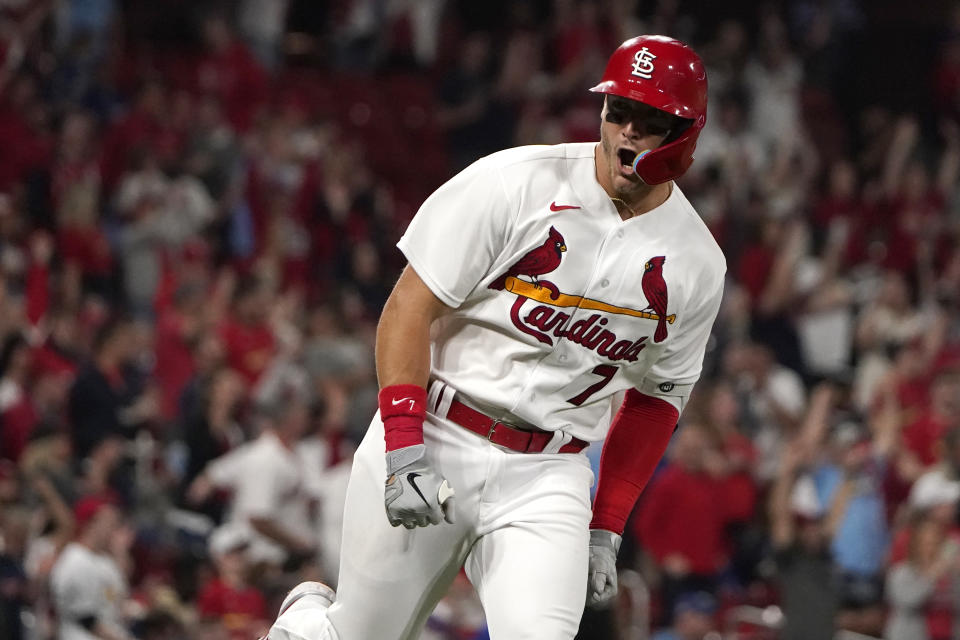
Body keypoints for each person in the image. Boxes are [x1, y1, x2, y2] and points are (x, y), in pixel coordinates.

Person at [265, 34, 724, 640]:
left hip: (549, 473)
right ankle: (307, 622)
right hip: (436, 429)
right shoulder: (516, 183)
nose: (628, 132)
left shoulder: (696, 261)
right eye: (620, 111)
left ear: (686, 133)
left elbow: (657, 399)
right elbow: (408, 307)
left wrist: (607, 523)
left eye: (651, 119)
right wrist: (404, 445)